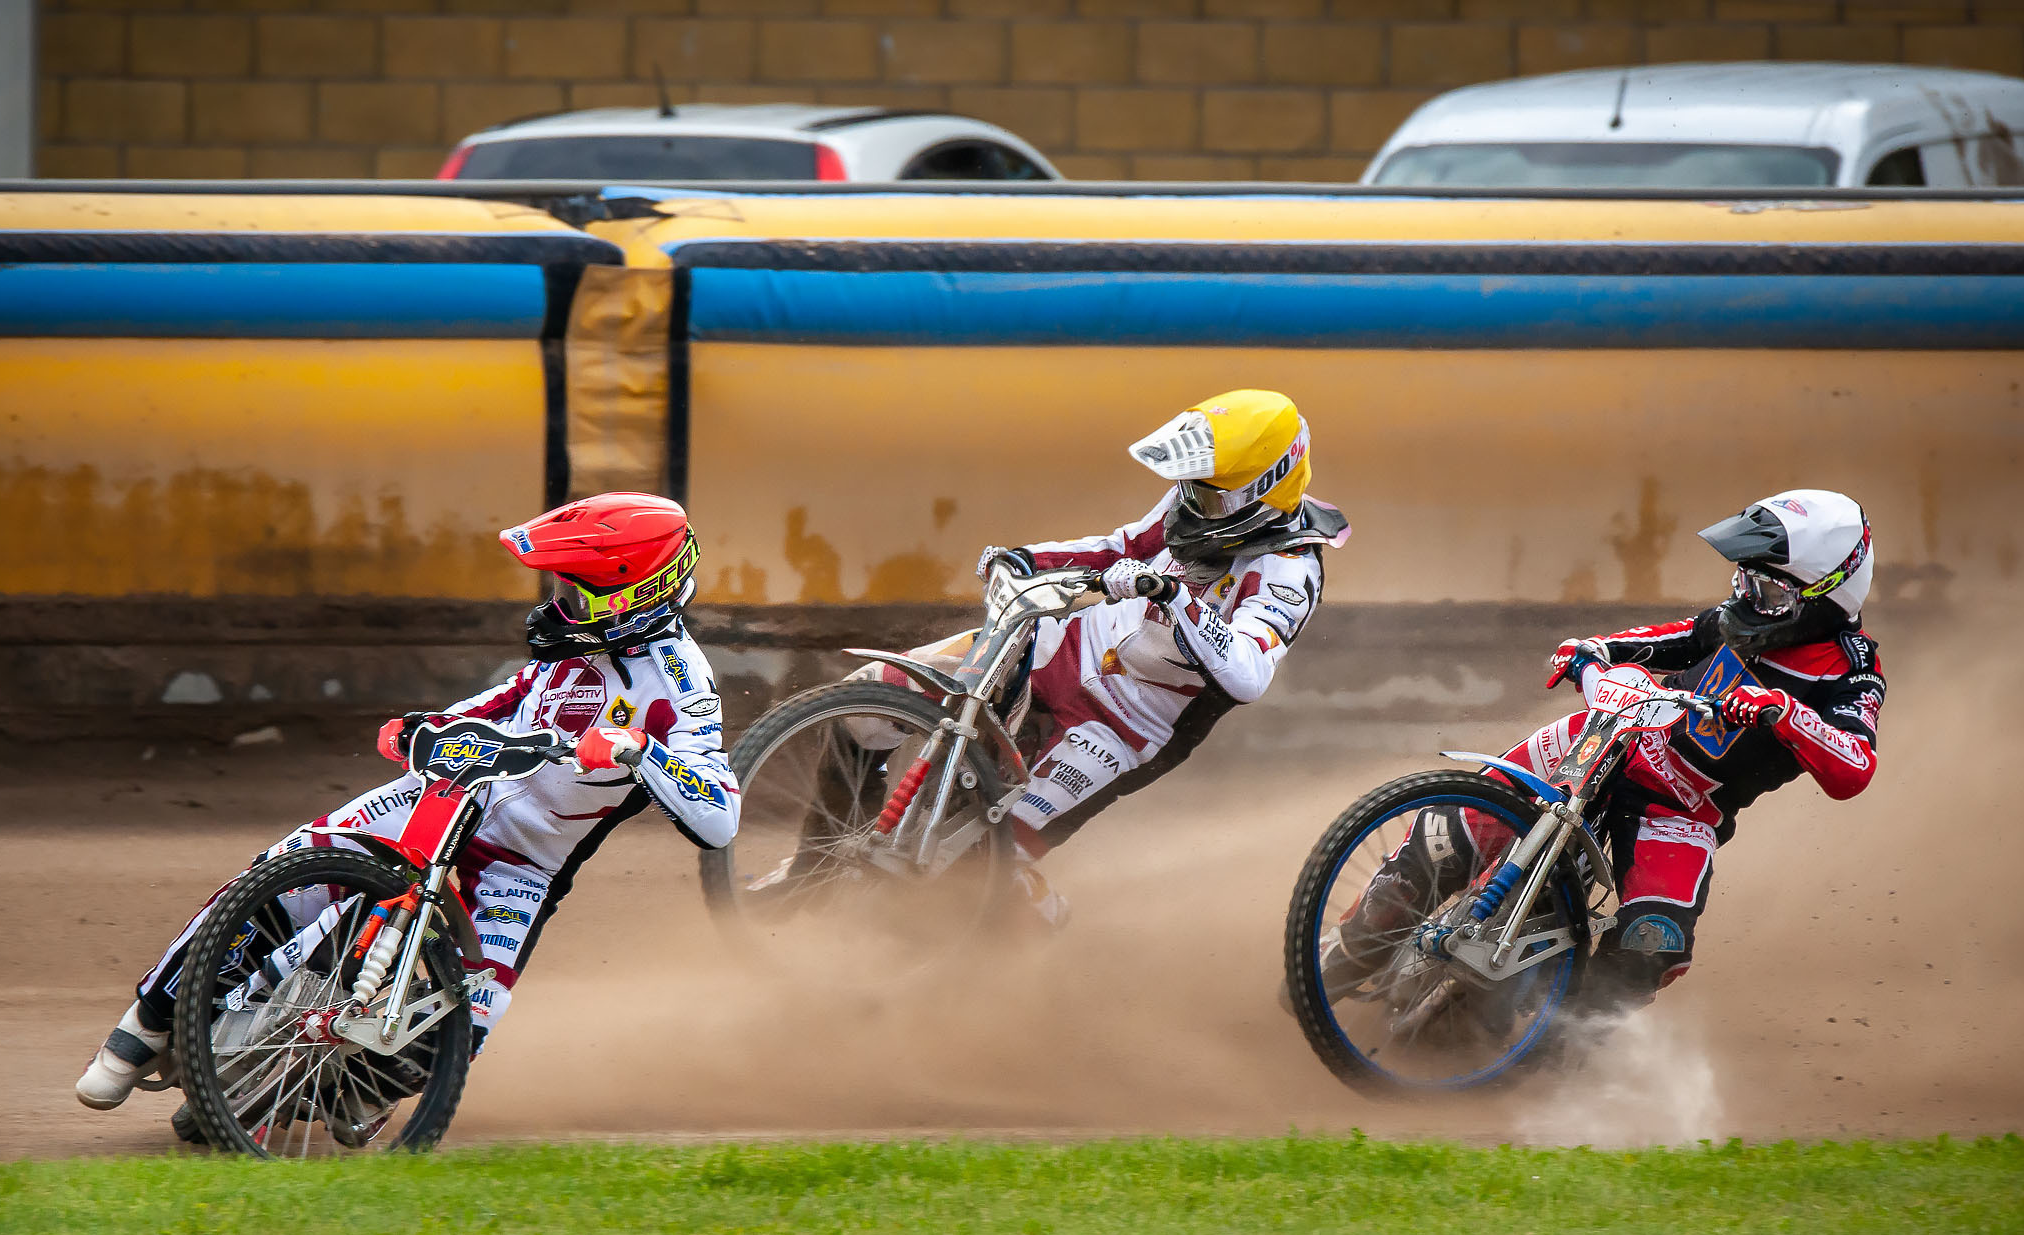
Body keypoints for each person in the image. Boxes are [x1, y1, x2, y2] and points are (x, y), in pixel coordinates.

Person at [74, 492, 739, 1115]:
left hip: (522, 867)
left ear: (634, 593)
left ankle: (318, 1098)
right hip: (446, 796)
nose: (558, 604)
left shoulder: (682, 684)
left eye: (575, 591)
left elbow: (720, 814)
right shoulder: (580, 642)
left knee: (468, 1020)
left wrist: (638, 752)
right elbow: (507, 698)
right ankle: (146, 1024)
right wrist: (427, 724)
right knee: (291, 865)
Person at [1334, 487, 1883, 1014]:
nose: (1743, 597)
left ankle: (1562, 1048)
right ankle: (1339, 961)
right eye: (1743, 578)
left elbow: (1855, 767)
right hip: (1611, 736)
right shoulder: (1741, 619)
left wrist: (1786, 714)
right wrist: (1597, 648)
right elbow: (1684, 636)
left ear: (1825, 596)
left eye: (1765, 590)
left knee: (1653, 944)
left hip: (1683, 808)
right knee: (1443, 843)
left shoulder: (1853, 671)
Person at [858, 388, 1348, 925]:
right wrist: (1026, 559)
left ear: (1264, 492)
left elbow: (1250, 675)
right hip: (1060, 646)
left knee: (980, 871)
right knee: (867, 698)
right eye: (1190, 489)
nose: (1191, 504)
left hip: (1125, 729)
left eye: (1209, 497)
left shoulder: (1290, 570)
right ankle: (811, 870)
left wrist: (1175, 597)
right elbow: (1122, 545)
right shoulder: (1196, 501)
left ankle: (1031, 928)